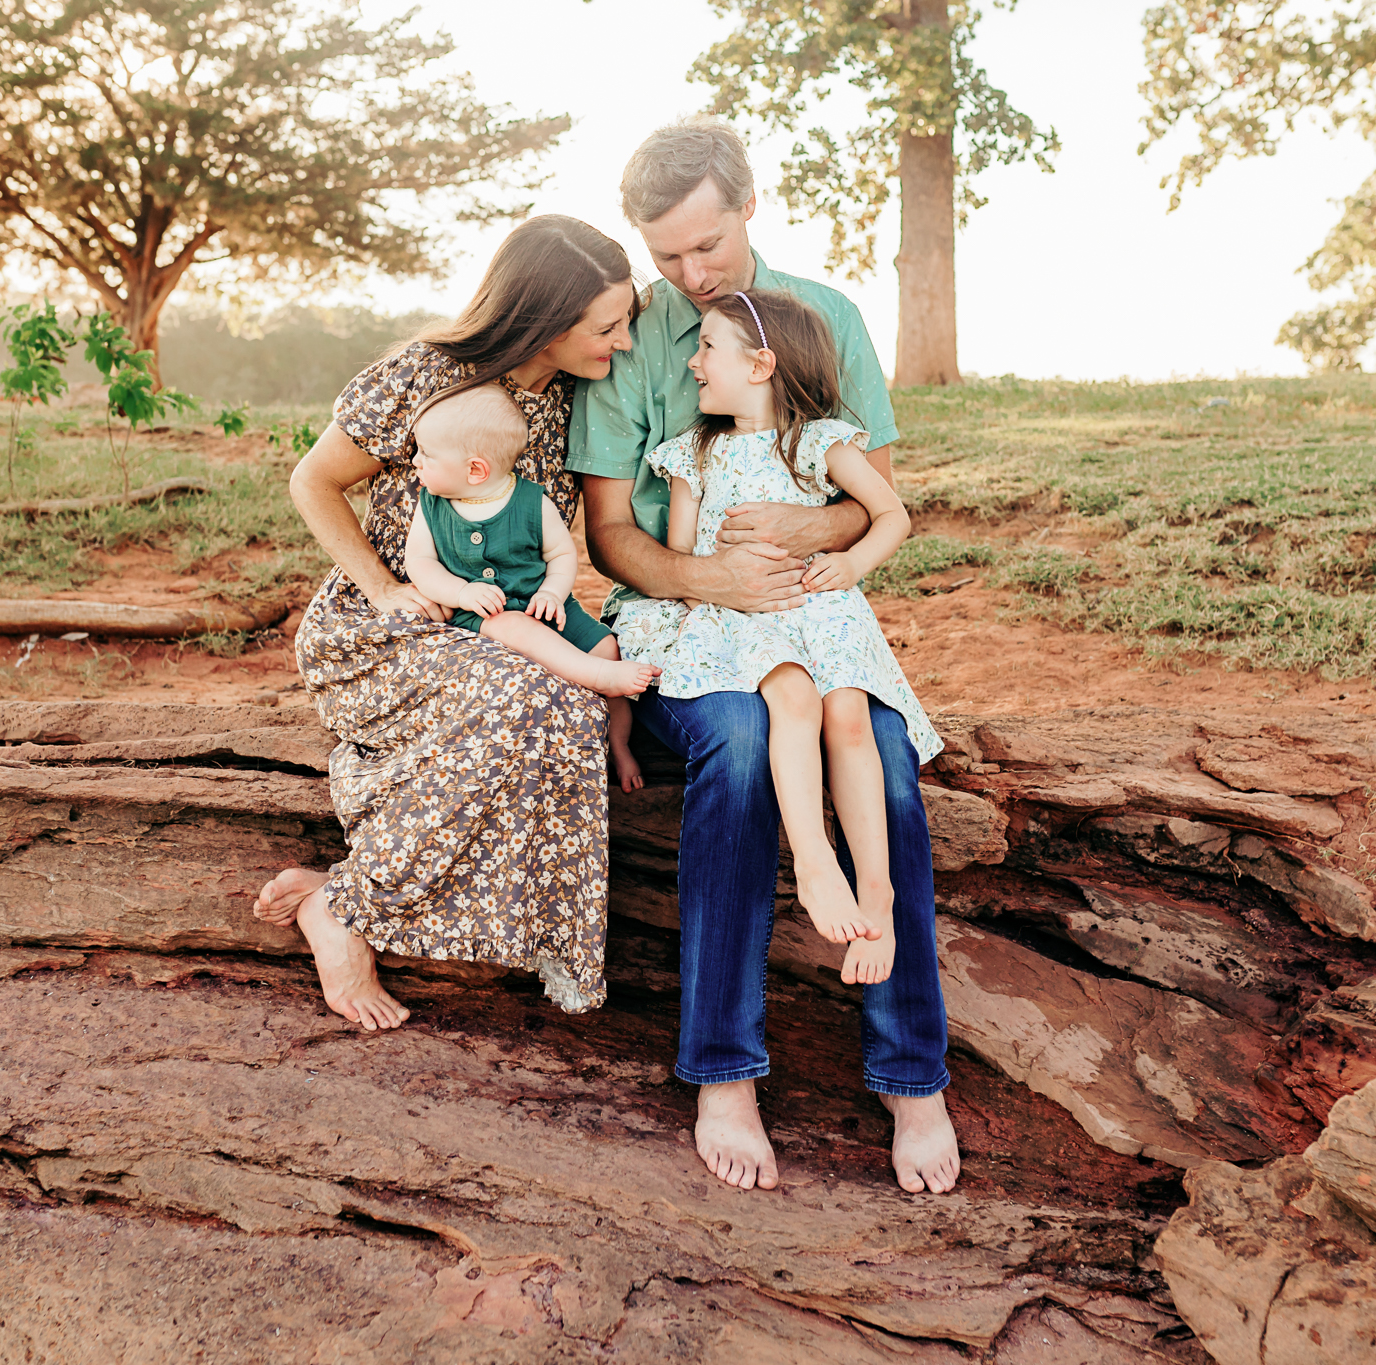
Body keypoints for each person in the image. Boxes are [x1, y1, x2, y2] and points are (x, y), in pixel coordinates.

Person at [568, 119, 961, 1195]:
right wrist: (713, 584)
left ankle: (909, 1071)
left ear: (748, 206)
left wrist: (798, 538)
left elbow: (859, 503)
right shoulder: (635, 342)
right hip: (684, 631)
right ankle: (725, 1069)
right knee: (739, 746)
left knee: (879, 756)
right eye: (666, 257)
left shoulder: (823, 317)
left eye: (707, 247)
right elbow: (614, 532)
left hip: (803, 623)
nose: (690, 276)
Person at [252, 214, 638, 1028]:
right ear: (546, 319)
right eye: (608, 325)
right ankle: (343, 910)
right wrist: (386, 587)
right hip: (385, 629)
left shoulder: (579, 402)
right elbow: (313, 482)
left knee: (570, 707)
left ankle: (552, 949)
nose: (625, 341)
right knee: (531, 701)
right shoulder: (425, 376)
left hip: (498, 627)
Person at [614, 289, 941, 985]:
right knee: (792, 698)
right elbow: (683, 560)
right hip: (742, 616)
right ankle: (817, 861)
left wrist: (849, 562)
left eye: (707, 349)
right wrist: (714, 568)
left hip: (818, 607)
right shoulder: (692, 456)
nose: (694, 364)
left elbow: (891, 514)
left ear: (760, 364)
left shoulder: (820, 441)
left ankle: (877, 888)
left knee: (849, 717)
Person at [401, 384, 657, 792]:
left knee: (607, 645)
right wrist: (461, 593)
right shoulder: (431, 506)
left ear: (475, 470)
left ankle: (619, 743)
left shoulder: (532, 502)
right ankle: (598, 677)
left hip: (546, 603)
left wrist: (554, 593)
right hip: (485, 615)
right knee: (518, 628)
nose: (414, 461)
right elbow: (420, 564)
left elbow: (561, 555)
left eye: (426, 454)